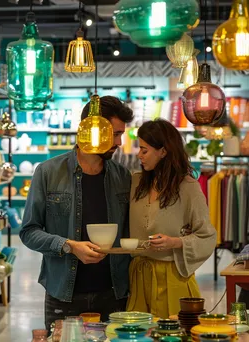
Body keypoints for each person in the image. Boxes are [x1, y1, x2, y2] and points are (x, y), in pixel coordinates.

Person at [19, 96, 134, 331]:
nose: (119, 142)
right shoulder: (48, 172)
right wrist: (69, 245)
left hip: (114, 293)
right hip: (64, 293)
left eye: (121, 134)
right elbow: (29, 232)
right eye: (114, 134)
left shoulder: (122, 176)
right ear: (91, 130)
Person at [127, 119, 217, 318]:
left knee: (175, 336)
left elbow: (207, 236)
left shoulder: (187, 187)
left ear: (163, 151)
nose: (139, 155)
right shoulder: (135, 182)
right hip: (139, 278)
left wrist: (175, 242)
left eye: (144, 150)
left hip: (173, 278)